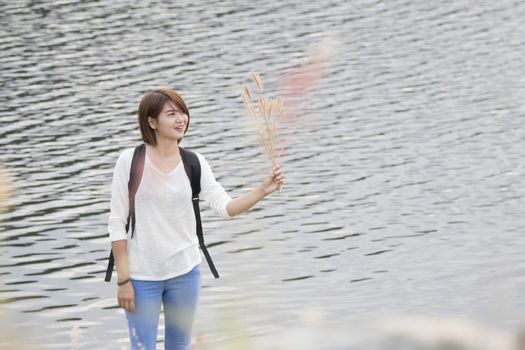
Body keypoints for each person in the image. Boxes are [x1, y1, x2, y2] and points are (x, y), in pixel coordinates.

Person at [108, 88, 284, 350]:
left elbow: (226, 207)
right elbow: (116, 222)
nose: (181, 119)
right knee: (142, 347)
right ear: (152, 122)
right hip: (141, 276)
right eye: (171, 114)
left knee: (179, 346)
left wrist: (261, 191)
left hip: (185, 272)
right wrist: (123, 280)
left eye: (183, 112)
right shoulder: (130, 161)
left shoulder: (194, 163)